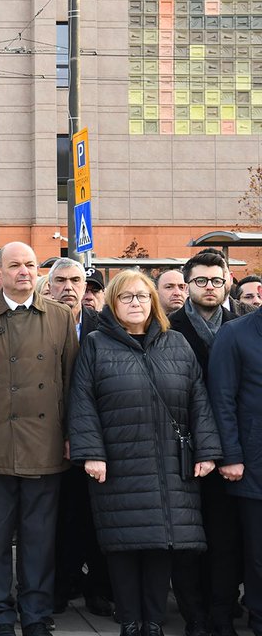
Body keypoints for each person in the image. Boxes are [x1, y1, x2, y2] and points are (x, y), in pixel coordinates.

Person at [69, 270, 222, 636]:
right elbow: (82, 401)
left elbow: (198, 399)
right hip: (118, 462)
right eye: (126, 297)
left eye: (141, 296)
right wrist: (91, 452)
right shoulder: (94, 343)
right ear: (113, 304)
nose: (135, 303)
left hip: (171, 460)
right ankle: (130, 621)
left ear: (153, 302)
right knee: (122, 546)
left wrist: (208, 451)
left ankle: (152, 623)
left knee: (162, 544)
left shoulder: (177, 344)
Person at [0, 242, 79, 636]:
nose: (25, 271)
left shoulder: (61, 318)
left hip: (46, 444)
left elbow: (71, 383)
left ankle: (36, 616)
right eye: (15, 265)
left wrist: (70, 436)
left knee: (39, 539)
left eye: (30, 264)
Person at [168, 250, 243, 636]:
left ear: (229, 281)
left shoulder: (242, 325)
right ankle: (193, 614)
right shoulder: (168, 327)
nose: (209, 287)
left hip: (232, 450)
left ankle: (221, 611)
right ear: (187, 284)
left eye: (216, 280)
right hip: (181, 447)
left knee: (225, 536)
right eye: (200, 281)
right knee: (186, 538)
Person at [44, 258, 112, 618]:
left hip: (95, 440)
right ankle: (58, 587)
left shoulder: (104, 326)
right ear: (49, 286)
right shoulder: (38, 323)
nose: (69, 287)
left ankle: (97, 588)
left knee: (93, 517)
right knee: (58, 520)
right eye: (61, 281)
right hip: (48, 438)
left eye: (76, 281)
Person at [207, 277, 262, 636]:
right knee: (258, 555)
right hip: (254, 464)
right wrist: (230, 456)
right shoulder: (236, 334)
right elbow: (222, 399)